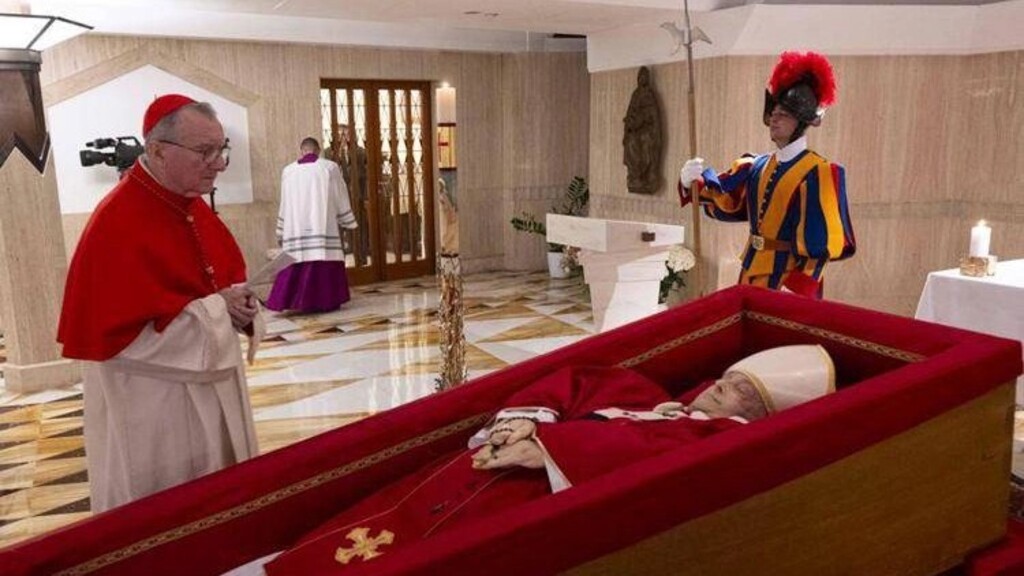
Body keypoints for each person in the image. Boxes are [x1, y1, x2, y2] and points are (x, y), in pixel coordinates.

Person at [254, 345, 834, 574]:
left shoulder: (721, 441)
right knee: (391, 506)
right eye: (725, 377)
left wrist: (553, 447)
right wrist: (524, 420)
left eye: (737, 392)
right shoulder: (650, 398)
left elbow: (656, 461)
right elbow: (576, 381)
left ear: (759, 415)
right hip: (494, 463)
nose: (718, 387)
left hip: (539, 492)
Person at [57, 94, 261, 512]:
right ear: (157, 150)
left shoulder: (192, 206)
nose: (219, 164)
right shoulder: (116, 220)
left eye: (221, 149)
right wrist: (217, 310)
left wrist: (241, 308)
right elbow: (121, 341)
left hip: (212, 383)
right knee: (169, 508)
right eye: (205, 152)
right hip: (154, 400)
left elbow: (223, 283)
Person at [678, 51, 856, 298]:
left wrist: (797, 288)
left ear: (801, 122)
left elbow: (822, 245)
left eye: (783, 114)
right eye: (773, 113)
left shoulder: (819, 172)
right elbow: (728, 203)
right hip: (750, 273)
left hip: (788, 284)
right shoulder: (756, 165)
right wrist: (691, 183)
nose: (774, 119)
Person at [266, 137, 358, 313]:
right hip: (321, 224)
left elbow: (285, 201)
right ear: (318, 150)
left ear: (302, 151)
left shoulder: (288, 171)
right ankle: (325, 301)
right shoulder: (329, 167)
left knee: (296, 258)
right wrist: (346, 218)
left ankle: (293, 302)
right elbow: (339, 193)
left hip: (296, 226)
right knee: (322, 256)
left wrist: (282, 227)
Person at [327, 125, 370, 265]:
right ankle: (339, 261)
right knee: (337, 230)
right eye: (340, 134)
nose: (343, 137)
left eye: (346, 134)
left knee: (358, 228)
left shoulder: (360, 152)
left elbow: (367, 176)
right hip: (336, 199)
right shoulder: (327, 153)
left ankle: (361, 259)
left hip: (355, 196)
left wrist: (366, 196)